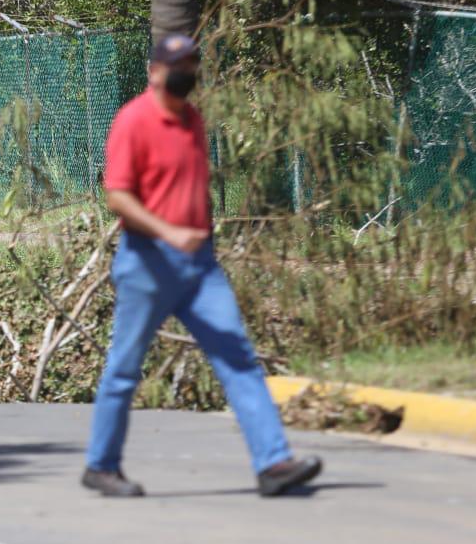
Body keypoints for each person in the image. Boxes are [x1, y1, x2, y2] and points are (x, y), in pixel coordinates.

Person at [83, 34, 323, 498]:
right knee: (125, 368)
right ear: (154, 71)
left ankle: (273, 463)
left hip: (200, 268)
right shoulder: (133, 120)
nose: (186, 71)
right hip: (148, 263)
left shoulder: (193, 119)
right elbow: (117, 195)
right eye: (177, 64)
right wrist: (169, 231)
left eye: (191, 63)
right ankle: (101, 465)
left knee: (238, 359)